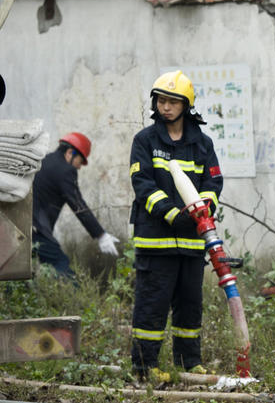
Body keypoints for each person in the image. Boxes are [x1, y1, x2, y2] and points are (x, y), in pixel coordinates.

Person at [129, 70, 222, 381]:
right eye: (161, 100)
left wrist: (203, 211)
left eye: (172, 101)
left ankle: (188, 363)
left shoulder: (202, 144)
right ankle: (145, 369)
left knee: (190, 306)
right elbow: (141, 183)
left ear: (186, 105)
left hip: (193, 244)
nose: (165, 107)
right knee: (151, 306)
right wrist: (172, 213)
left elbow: (213, 181)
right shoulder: (145, 140)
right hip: (156, 242)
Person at [32, 132, 120, 278]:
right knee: (61, 265)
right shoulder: (65, 171)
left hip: (24, 228)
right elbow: (78, 205)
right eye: (80, 161)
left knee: (18, 274)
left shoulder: (45, 161)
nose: (79, 167)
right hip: (37, 231)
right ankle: (77, 298)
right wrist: (101, 235)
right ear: (69, 153)